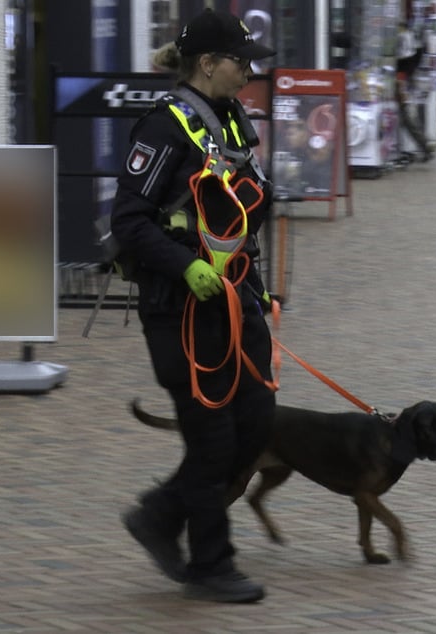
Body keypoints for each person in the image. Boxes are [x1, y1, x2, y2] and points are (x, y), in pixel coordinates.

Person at [112, 8, 277, 604]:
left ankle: (159, 513)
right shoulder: (163, 128)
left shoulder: (232, 122)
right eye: (241, 62)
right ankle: (211, 564)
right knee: (210, 440)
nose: (248, 73)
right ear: (208, 64)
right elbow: (128, 221)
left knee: (256, 421)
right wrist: (186, 265)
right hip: (181, 310)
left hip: (238, 299)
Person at [395, 21, 434, 162]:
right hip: (407, 78)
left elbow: (405, 64)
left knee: (407, 117)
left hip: (403, 79)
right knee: (409, 117)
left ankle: (424, 144)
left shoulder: (403, 38)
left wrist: (401, 83)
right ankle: (424, 144)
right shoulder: (411, 38)